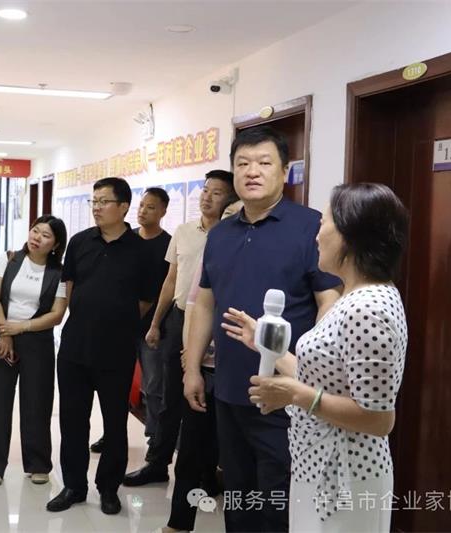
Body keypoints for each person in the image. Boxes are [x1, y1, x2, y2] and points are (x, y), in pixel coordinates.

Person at [223, 182, 409, 531]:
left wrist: (296, 395)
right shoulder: (353, 297)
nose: (316, 236)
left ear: (350, 235)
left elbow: (378, 419)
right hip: (318, 466)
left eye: (324, 224)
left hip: (347, 477)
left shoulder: (369, 308)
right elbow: (322, 377)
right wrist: (267, 345)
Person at [183, 127, 342, 532]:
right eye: (243, 163)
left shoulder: (311, 227)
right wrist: (192, 368)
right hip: (229, 390)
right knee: (238, 494)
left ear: (285, 172)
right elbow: (205, 303)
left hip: (285, 395)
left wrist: (306, 372)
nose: (252, 171)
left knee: (279, 499)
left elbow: (329, 301)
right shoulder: (220, 234)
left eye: (264, 163)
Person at [47, 177, 154, 516]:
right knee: (72, 420)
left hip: (116, 351)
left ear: (123, 207)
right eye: (93, 201)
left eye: (103, 201)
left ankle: (109, 488)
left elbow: (145, 301)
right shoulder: (79, 242)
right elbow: (69, 287)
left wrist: (115, 320)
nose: (96, 207)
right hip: (75, 348)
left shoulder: (140, 250)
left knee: (115, 424)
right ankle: (73, 486)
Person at [124, 170, 237, 487]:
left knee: (210, 401)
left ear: (230, 199)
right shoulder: (184, 232)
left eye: (216, 192)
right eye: (205, 190)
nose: (207, 197)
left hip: (217, 325)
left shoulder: (233, 235)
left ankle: (208, 471)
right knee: (169, 396)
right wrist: (156, 323)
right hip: (179, 319)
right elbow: (171, 280)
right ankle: (157, 462)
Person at [0, 215, 68, 486]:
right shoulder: (9, 259)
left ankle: (38, 463)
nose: (37, 237)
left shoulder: (59, 273)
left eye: (45, 235)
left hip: (37, 342)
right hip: (1, 337)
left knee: (37, 403)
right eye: (35, 230)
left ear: (55, 244)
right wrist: (6, 331)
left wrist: (21, 328)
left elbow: (57, 314)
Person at [91, 187, 171, 454]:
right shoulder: (128, 239)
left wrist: (153, 324)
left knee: (153, 386)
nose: (143, 211)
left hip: (152, 328)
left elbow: (164, 290)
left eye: (151, 207)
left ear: (163, 211)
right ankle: (112, 434)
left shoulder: (168, 244)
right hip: (119, 330)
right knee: (115, 386)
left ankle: (155, 440)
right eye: (142, 205)